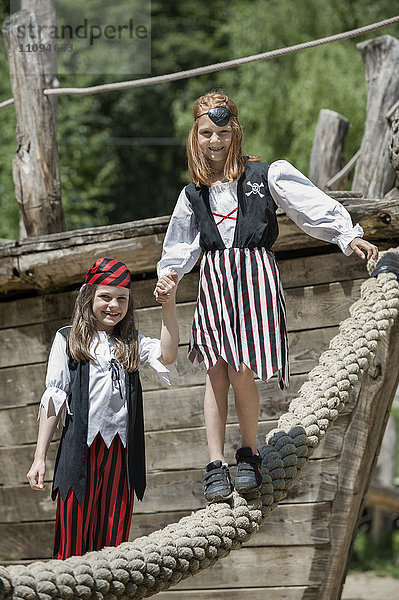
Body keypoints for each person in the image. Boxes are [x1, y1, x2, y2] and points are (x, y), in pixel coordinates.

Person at [156, 91, 378, 503]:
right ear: (196, 136)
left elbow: (310, 206)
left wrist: (349, 236)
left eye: (222, 132)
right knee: (215, 370)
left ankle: (250, 453)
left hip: (254, 281)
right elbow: (179, 248)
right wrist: (168, 277)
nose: (215, 141)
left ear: (234, 132)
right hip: (215, 282)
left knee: (241, 369)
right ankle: (214, 464)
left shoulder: (265, 175)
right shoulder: (193, 195)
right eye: (207, 133)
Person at [27, 257, 179, 559]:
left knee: (113, 545)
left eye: (121, 298)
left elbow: (168, 354)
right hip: (80, 453)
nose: (113, 305)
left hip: (121, 456)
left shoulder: (132, 342)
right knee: (73, 543)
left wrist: (168, 304)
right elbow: (54, 397)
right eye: (105, 297)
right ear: (89, 297)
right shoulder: (68, 339)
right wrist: (39, 458)